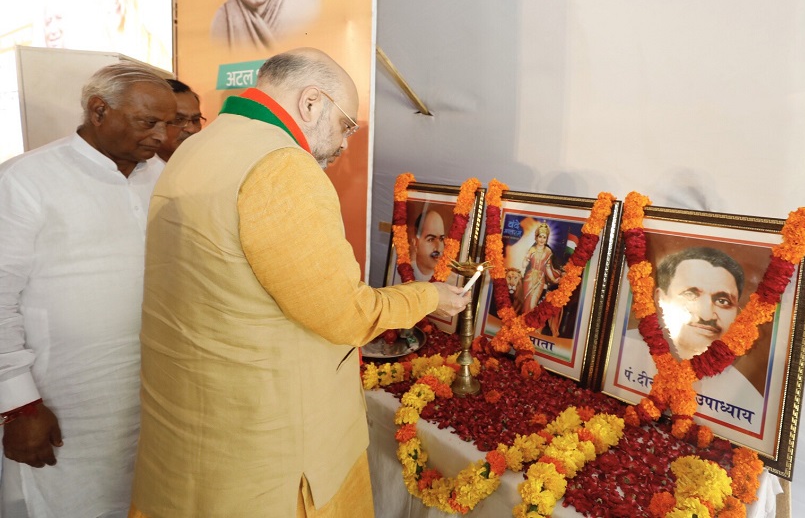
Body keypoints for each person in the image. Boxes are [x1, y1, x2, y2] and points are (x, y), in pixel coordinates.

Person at [128, 47, 469, 518]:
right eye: (346, 123)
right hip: (267, 444)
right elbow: (344, 314)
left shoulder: (200, 146)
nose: (346, 142)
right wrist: (430, 294)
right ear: (311, 103)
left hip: (193, 429)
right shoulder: (282, 166)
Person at [0, 63, 176, 517]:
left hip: (155, 395)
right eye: (148, 122)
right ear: (99, 110)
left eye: (168, 123)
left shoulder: (164, 178)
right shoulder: (26, 179)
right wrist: (19, 405)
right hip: (66, 401)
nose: (161, 136)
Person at [656, 246, 765, 431]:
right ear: (660, 298)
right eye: (690, 294)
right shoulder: (623, 356)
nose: (706, 314)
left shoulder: (749, 399)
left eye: (723, 301)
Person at [521, 222, 564, 333]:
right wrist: (525, 260)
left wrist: (554, 279)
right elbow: (524, 265)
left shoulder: (548, 251)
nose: (542, 239)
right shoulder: (532, 249)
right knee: (526, 302)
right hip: (529, 278)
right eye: (540, 236)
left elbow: (548, 268)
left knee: (533, 303)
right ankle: (522, 326)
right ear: (536, 237)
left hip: (540, 280)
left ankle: (530, 327)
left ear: (547, 239)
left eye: (544, 237)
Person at [157, 79, 203, 162]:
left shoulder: (208, 164)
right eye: (179, 119)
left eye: (196, 120)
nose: (191, 129)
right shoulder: (138, 171)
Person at [410, 209, 446, 282]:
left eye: (441, 239)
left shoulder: (453, 282)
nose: (438, 248)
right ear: (415, 243)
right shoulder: (397, 276)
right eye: (431, 239)